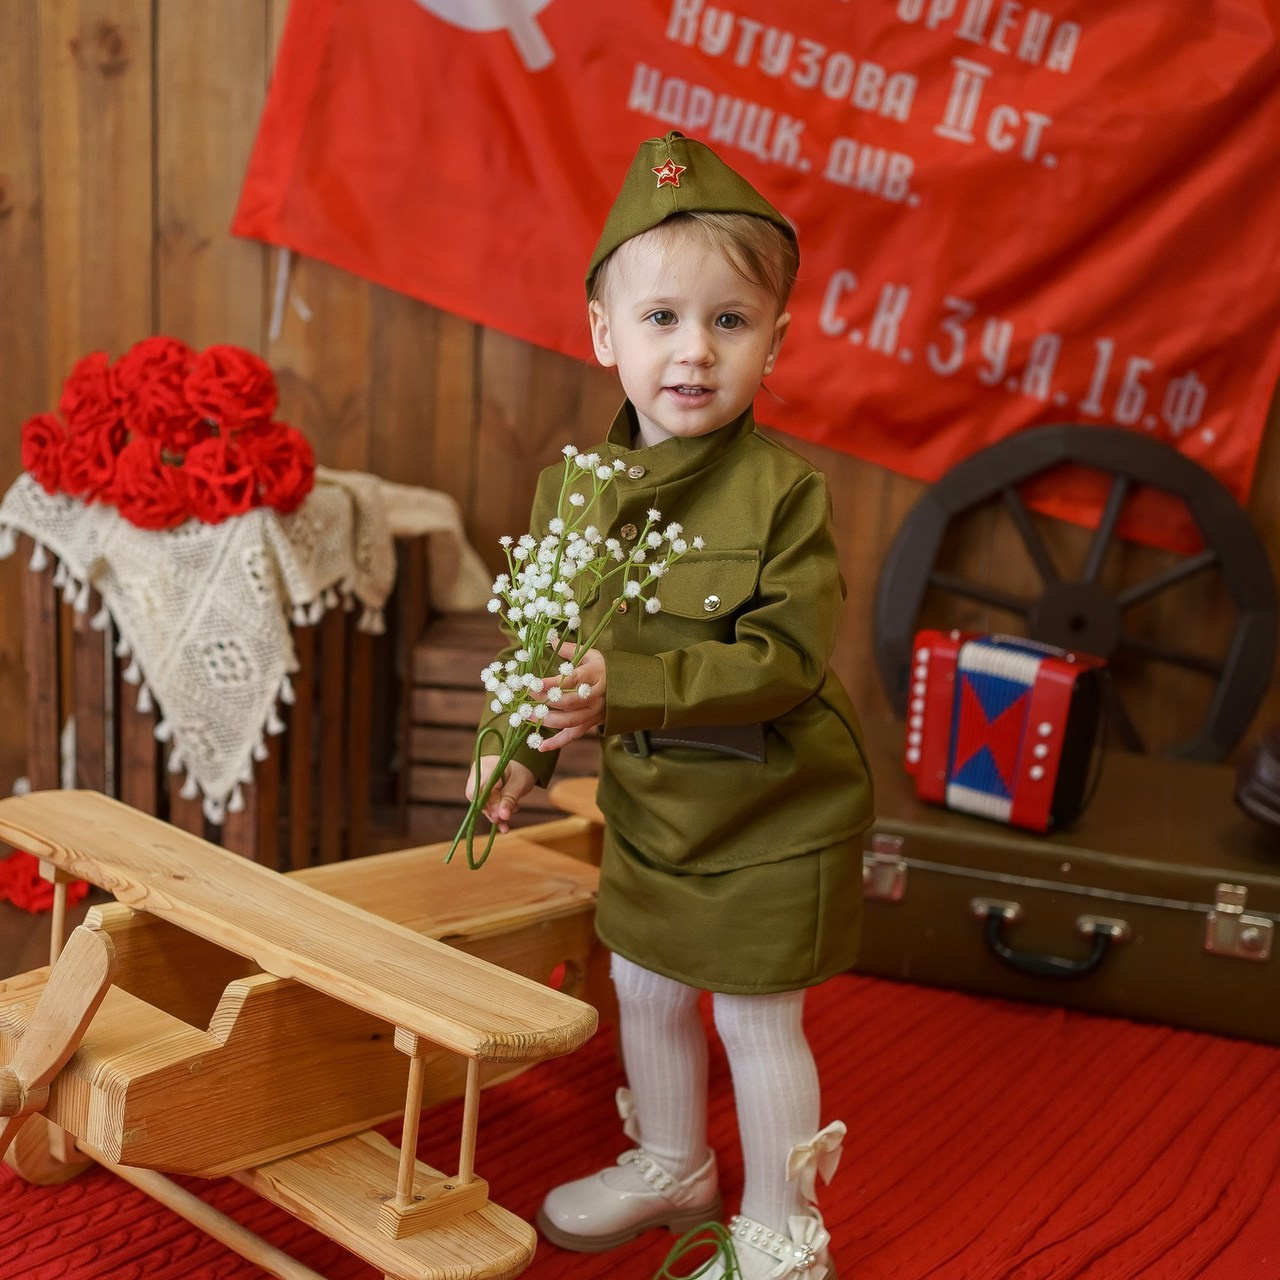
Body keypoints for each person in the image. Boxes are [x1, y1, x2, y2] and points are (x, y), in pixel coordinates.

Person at [465, 131, 874, 1279]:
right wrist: (515, 751)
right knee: (644, 977)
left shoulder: (783, 492)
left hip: (770, 813)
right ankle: (672, 1162)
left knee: (750, 1011)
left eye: (729, 322)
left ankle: (785, 1232)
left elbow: (784, 657)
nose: (692, 352)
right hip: (656, 809)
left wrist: (625, 689)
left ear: (773, 341)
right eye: (660, 320)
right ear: (604, 333)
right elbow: (542, 639)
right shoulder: (573, 491)